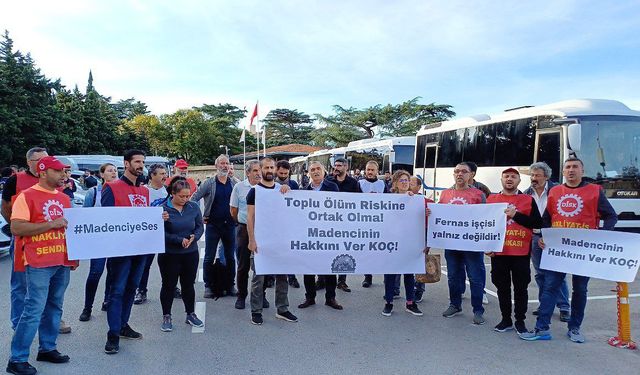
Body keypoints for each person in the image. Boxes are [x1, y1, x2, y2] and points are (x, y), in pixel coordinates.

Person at [521, 158, 617, 343]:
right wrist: (544, 237)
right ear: (563, 172)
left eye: (575, 167)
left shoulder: (594, 191)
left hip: (583, 250)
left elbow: (611, 216)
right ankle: (541, 328)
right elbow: (547, 218)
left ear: (582, 170)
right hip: (559, 249)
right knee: (550, 286)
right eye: (567, 167)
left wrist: (604, 235)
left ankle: (574, 328)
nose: (571, 170)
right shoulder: (555, 191)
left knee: (580, 289)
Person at [7, 156, 78, 375]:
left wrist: (72, 256)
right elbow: (17, 228)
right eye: (58, 171)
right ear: (43, 172)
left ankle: (47, 348)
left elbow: (71, 230)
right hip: (37, 260)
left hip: (60, 260)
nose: (63, 176)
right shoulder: (26, 197)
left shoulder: (65, 198)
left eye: (64, 172)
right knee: (33, 310)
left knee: (54, 306)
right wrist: (50, 224)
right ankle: (17, 359)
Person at [101, 150, 150, 354]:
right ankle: (112, 334)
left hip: (140, 249)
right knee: (117, 290)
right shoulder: (111, 187)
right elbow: (105, 219)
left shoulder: (145, 191)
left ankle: (123, 325)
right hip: (119, 251)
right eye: (137, 161)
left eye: (142, 162)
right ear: (126, 163)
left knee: (131, 287)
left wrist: (159, 217)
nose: (140, 165)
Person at [486, 168, 542, 334]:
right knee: (502, 288)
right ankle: (505, 319)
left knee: (520, 288)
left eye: (513, 176)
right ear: (501, 179)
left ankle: (520, 321)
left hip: (521, 253)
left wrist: (516, 215)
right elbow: (482, 225)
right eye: (506, 176)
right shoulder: (491, 199)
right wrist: (486, 246)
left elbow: (537, 222)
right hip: (499, 253)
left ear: (519, 180)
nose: (509, 179)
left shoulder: (527, 199)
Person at [246, 158, 298, 325]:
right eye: (266, 167)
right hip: (261, 242)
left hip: (280, 242)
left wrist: (288, 190)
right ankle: (256, 311)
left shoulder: (282, 189)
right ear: (260, 170)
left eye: (271, 167)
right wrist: (251, 240)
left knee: (282, 276)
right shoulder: (254, 192)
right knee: (258, 278)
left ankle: (282, 309)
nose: (269, 170)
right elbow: (250, 217)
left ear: (275, 169)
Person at [436, 162, 487, 325]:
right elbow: (439, 215)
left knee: (475, 278)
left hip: (472, 245)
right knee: (453, 277)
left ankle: (478, 310)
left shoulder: (479, 195)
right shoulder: (445, 194)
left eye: (464, 172)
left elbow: (486, 219)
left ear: (471, 175)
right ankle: (455, 304)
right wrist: (431, 212)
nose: (459, 174)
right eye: (456, 171)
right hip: (451, 244)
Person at [523, 162, 570, 321]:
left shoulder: (557, 191)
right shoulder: (527, 193)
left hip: (554, 236)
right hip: (535, 237)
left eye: (537, 175)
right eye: (532, 175)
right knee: (540, 274)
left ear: (546, 176)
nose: (534, 178)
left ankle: (564, 306)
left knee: (557, 273)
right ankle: (545, 304)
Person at [297, 161, 343, 310]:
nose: (316, 171)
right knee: (308, 267)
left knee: (330, 268)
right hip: (309, 235)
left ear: (323, 172)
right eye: (312, 169)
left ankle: (331, 298)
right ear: (308, 173)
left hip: (328, 234)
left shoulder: (332, 187)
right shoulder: (303, 191)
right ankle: (310, 297)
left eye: (318, 169)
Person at [159, 180, 205, 331]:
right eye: (182, 196)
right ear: (172, 194)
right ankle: (166, 315)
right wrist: (178, 240)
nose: (186, 199)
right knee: (169, 285)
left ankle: (190, 314)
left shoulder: (193, 207)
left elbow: (199, 226)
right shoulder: (163, 210)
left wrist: (194, 237)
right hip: (170, 254)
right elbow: (159, 232)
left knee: (188, 285)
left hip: (190, 253)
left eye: (188, 196)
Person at [191, 155, 237, 298]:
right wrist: (199, 216)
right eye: (222, 163)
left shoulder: (234, 183)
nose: (225, 166)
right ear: (216, 166)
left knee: (230, 257)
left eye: (227, 163)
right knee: (209, 257)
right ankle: (208, 286)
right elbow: (194, 199)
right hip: (213, 225)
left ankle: (230, 285)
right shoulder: (209, 183)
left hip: (230, 225)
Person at [79, 163, 119, 322]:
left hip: (115, 240)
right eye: (110, 171)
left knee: (113, 272)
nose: (114, 173)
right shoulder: (93, 192)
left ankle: (107, 300)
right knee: (95, 273)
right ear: (102, 174)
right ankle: (87, 307)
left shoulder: (119, 191)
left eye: (115, 170)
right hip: (98, 241)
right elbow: (84, 217)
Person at [381, 170, 423, 317]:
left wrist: (427, 213)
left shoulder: (416, 199)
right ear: (395, 183)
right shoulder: (388, 199)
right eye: (401, 180)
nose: (405, 183)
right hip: (391, 242)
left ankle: (410, 303)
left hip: (409, 242)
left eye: (407, 180)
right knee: (390, 274)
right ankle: (389, 302)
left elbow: (421, 217)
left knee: (409, 273)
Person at [231, 160, 264, 309]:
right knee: (243, 265)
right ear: (248, 172)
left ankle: (260, 295)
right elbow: (233, 210)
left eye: (260, 170)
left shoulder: (267, 187)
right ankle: (241, 296)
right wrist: (240, 222)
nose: (259, 173)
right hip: (244, 229)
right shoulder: (239, 187)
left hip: (263, 230)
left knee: (263, 265)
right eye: (255, 170)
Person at [135, 164, 169, 305]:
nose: (164, 176)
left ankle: (171, 287)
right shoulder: (143, 191)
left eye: (165, 173)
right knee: (145, 264)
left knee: (168, 264)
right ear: (152, 175)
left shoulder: (168, 192)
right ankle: (141, 290)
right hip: (148, 234)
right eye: (161, 173)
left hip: (165, 233)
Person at [325, 157, 361, 292]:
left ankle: (342, 281)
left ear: (346, 167)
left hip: (346, 222)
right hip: (329, 221)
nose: (336, 168)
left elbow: (359, 200)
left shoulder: (353, 183)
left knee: (344, 250)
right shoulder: (328, 180)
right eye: (335, 165)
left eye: (339, 165)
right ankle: (323, 280)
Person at [358, 160, 387, 288]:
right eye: (368, 170)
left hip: (380, 222)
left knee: (382, 250)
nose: (370, 172)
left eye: (372, 170)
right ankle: (367, 277)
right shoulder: (359, 184)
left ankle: (388, 277)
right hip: (364, 222)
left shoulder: (383, 184)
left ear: (377, 171)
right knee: (367, 251)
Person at [272, 160, 301, 288]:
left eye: (286, 173)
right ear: (276, 171)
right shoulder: (270, 183)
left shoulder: (293, 184)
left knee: (289, 251)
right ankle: (271, 276)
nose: (283, 175)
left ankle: (291, 276)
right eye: (281, 173)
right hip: (274, 222)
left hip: (290, 222)